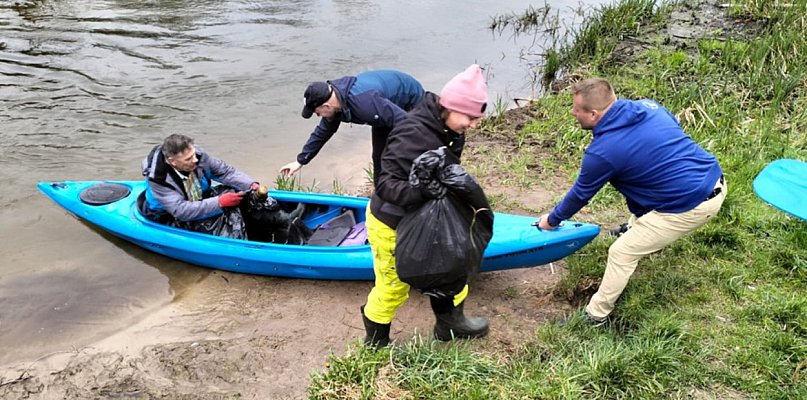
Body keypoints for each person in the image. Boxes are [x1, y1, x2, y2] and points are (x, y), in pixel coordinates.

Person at [537, 77, 727, 326]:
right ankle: (636, 227)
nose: (573, 113)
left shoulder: (603, 152)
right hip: (714, 177)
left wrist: (551, 221)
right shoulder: (650, 107)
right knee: (649, 183)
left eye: (577, 109)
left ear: (593, 114)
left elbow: (580, 195)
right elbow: (672, 131)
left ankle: (595, 315)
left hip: (691, 205)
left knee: (621, 252)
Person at [361, 64, 490, 346]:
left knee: (454, 267)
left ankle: (450, 325)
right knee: (393, 288)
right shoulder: (412, 132)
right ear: (451, 106)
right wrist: (422, 191)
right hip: (391, 222)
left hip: (427, 217)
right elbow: (385, 184)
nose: (473, 124)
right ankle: (375, 343)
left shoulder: (451, 129)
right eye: (470, 117)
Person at [278, 70, 424, 184]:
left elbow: (408, 124)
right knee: (379, 156)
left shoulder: (365, 104)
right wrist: (300, 161)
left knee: (403, 151)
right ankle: (381, 196)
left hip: (409, 100)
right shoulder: (336, 104)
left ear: (326, 106)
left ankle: (418, 186)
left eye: (317, 112)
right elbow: (322, 133)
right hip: (385, 108)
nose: (318, 116)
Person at [141, 133, 259, 239]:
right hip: (168, 215)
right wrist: (220, 202)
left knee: (234, 191)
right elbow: (181, 211)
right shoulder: (159, 180)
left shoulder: (197, 155)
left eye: (193, 154)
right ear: (173, 162)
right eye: (188, 159)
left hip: (197, 196)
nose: (195, 160)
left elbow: (225, 171)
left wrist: (250, 184)